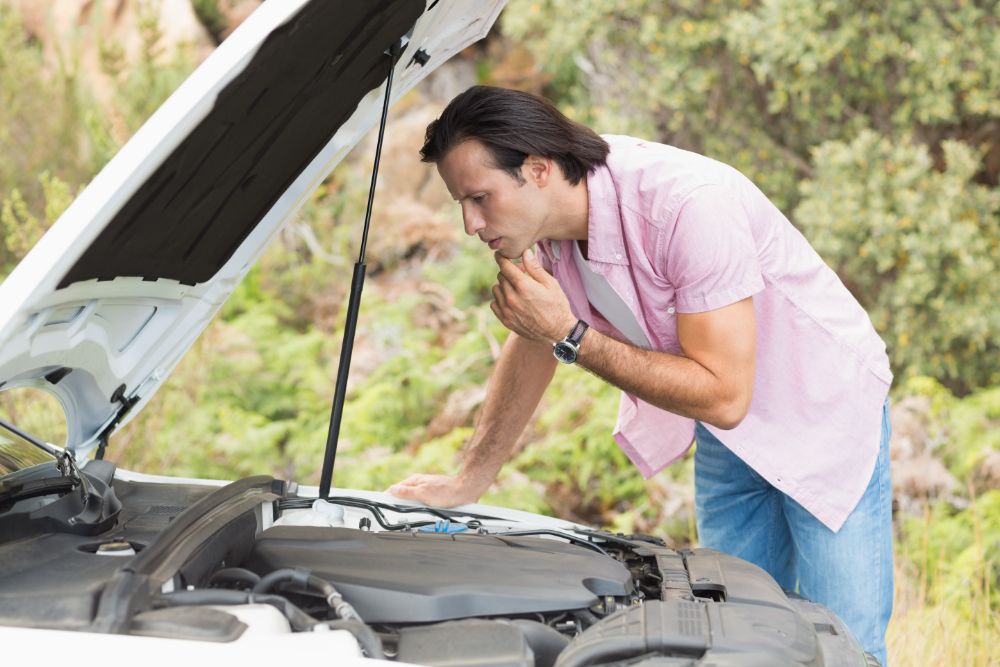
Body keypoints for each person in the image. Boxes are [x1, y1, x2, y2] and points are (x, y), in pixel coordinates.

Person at [387, 85, 894, 665]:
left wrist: (571, 337)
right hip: (728, 433)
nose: (471, 223)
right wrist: (469, 479)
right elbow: (531, 344)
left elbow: (725, 394)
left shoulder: (686, 205)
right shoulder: (546, 230)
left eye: (480, 198)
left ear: (538, 168)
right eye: (460, 203)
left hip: (819, 409)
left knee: (846, 643)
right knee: (741, 636)